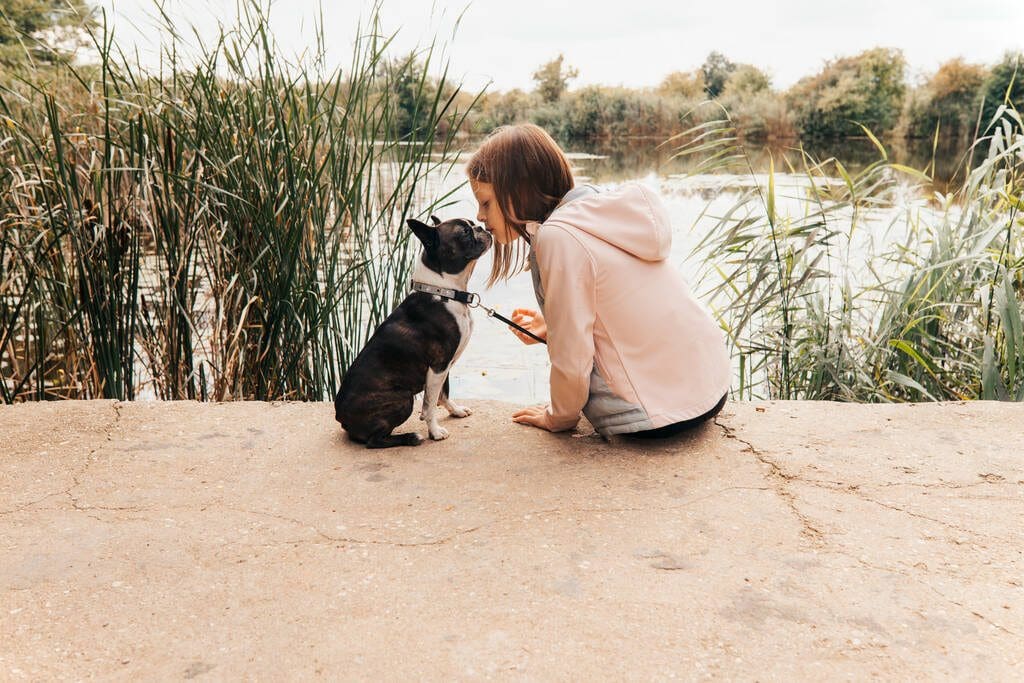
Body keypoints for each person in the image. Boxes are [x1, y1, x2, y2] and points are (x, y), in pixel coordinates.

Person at [466, 124, 730, 438]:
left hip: (653, 415)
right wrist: (553, 328)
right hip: (710, 391)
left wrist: (559, 416)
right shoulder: (596, 216)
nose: (480, 217)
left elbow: (572, 354)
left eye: (486, 203)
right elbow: (626, 307)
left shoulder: (557, 236)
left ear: (519, 190)